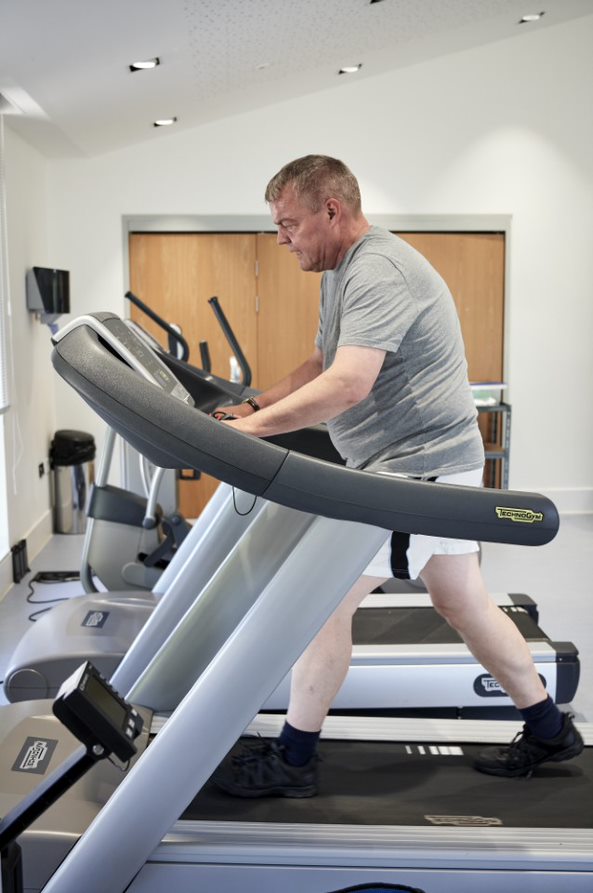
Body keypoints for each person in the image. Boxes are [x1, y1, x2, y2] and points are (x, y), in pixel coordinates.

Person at [213, 154, 583, 798]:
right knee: (460, 600)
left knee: (320, 602)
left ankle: (295, 760)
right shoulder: (342, 271)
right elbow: (326, 360)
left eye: (288, 224)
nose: (281, 239)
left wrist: (250, 433)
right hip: (421, 465)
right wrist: (255, 405)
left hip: (415, 474)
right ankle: (551, 728)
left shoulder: (379, 271)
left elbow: (349, 386)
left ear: (331, 210)